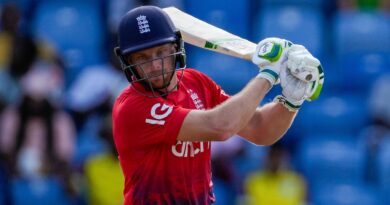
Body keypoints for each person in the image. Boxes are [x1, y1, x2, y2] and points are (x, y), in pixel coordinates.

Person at [112, 5, 324, 205]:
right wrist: (268, 74)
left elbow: (260, 130)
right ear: (128, 62)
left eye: (161, 52)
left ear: (176, 46)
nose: (155, 65)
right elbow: (220, 126)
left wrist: (291, 100)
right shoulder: (131, 107)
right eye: (142, 57)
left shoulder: (196, 82)